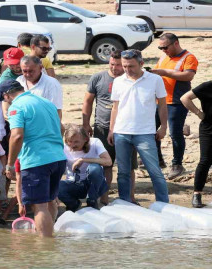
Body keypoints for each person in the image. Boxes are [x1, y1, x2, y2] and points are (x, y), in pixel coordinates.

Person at [2, 80, 66, 238]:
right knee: (50, 200)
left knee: (39, 206)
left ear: (6, 95)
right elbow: (61, 128)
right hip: (58, 157)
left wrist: (10, 164)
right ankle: (51, 240)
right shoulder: (47, 102)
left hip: (36, 161)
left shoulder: (16, 107)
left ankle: (44, 247)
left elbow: (16, 136)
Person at [107, 49, 169, 203]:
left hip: (145, 133)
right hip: (121, 132)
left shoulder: (155, 80)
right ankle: (124, 202)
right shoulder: (118, 81)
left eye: (131, 66)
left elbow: (162, 105)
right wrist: (111, 130)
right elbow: (115, 107)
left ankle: (163, 203)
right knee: (123, 172)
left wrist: (163, 127)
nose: (127, 70)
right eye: (125, 66)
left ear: (141, 63)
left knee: (154, 171)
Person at [82, 50, 138, 204]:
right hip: (102, 128)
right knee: (105, 165)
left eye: (119, 65)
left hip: (126, 129)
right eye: (112, 64)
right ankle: (104, 199)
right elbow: (87, 102)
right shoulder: (98, 78)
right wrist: (85, 124)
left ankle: (130, 197)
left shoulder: (132, 79)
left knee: (128, 167)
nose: (115, 68)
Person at [151, 33, 198, 179]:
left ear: (176, 43)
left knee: (175, 133)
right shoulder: (164, 56)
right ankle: (158, 160)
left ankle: (177, 164)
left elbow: (188, 76)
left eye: (165, 47)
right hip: (160, 101)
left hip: (177, 102)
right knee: (151, 131)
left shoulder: (189, 57)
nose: (163, 50)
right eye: (160, 48)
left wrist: (164, 72)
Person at [57, 125, 112, 212]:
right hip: (73, 183)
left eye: (76, 142)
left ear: (86, 139)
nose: (72, 145)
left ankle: (92, 200)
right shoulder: (63, 147)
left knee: (94, 168)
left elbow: (108, 161)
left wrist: (83, 160)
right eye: (69, 141)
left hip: (93, 184)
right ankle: (73, 204)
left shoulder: (95, 142)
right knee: (55, 186)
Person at [180, 81, 212, 207]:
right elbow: (185, 98)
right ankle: (197, 194)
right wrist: (199, 113)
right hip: (209, 128)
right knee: (205, 160)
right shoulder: (208, 86)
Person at [16, 56, 63, 121]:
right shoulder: (19, 81)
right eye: (24, 71)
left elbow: (56, 111)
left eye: (31, 71)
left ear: (40, 68)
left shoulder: (51, 84)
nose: (28, 74)